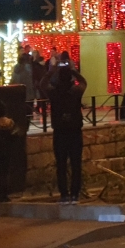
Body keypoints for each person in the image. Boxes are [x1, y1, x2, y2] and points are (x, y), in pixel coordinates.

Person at [48, 64, 87, 204]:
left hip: (60, 132)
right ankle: (75, 194)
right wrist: (74, 71)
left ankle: (64, 194)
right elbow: (84, 83)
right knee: (76, 164)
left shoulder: (54, 93)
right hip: (75, 132)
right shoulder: (75, 91)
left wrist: (51, 71)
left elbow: (42, 84)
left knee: (61, 165)